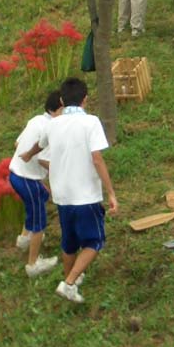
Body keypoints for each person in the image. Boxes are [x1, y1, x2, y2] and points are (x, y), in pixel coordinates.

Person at [20, 77, 118, 304]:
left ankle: (69, 280)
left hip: (62, 195)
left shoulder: (53, 124)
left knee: (70, 242)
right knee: (95, 241)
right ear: (86, 99)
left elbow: (40, 144)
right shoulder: (91, 122)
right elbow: (97, 158)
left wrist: (29, 153)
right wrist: (111, 192)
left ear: (62, 100)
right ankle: (70, 282)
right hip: (85, 195)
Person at [10, 90, 63, 277]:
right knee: (39, 221)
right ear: (59, 109)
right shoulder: (51, 129)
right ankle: (33, 265)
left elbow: (17, 144)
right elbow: (43, 160)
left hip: (15, 174)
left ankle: (24, 238)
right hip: (28, 180)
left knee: (41, 196)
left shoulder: (36, 120)